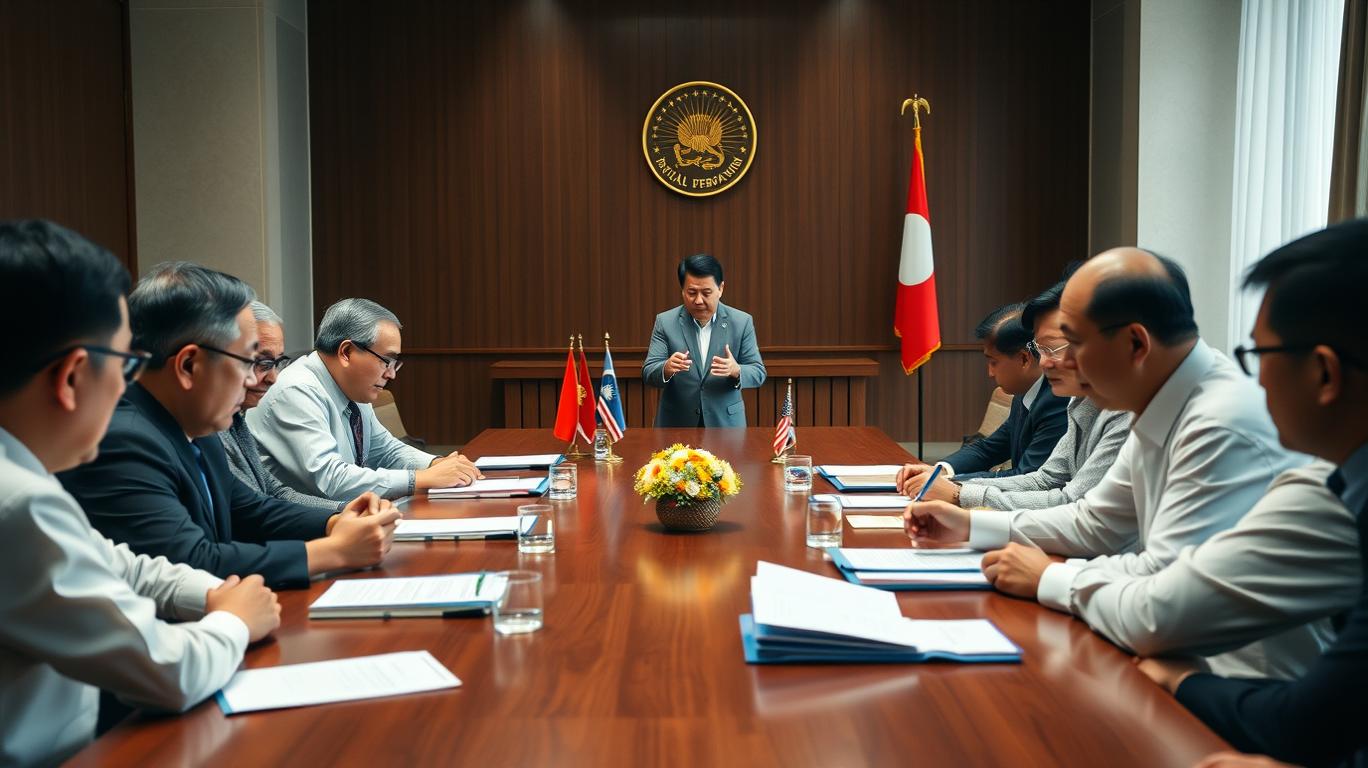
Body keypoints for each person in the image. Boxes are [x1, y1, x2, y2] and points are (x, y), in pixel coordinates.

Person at [0, 220, 280, 767]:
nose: (128, 386)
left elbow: (116, 564)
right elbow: (167, 672)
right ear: (73, 377)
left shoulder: (25, 475)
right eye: (124, 363)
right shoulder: (18, 503)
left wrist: (214, 594)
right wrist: (235, 620)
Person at [904, 249, 1302, 618]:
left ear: (1135, 343)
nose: (1060, 363)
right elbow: (1095, 522)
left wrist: (1048, 579)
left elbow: (1166, 599)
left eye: (1073, 344)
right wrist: (969, 526)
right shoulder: (1157, 396)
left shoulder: (1219, 424)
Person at [1136, 219, 1368, 767]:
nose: (1256, 380)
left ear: (1324, 373)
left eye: (1261, 355)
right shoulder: (1349, 482)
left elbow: (1309, 723)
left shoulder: (1221, 416)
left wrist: (1183, 680)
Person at [59, 263, 400, 590]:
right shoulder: (124, 441)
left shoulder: (196, 425)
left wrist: (336, 520)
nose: (256, 379)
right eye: (247, 362)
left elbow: (250, 509)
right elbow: (191, 562)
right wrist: (333, 551)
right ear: (189, 365)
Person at [897, 281, 1131, 509]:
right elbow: (1044, 479)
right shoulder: (1079, 399)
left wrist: (959, 493)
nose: (1044, 362)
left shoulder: (1122, 413)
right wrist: (946, 481)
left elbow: (1072, 502)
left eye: (1053, 348)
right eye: (1041, 349)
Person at [247, 298, 482, 500]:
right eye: (386, 361)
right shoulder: (295, 390)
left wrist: (435, 464)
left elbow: (384, 450)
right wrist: (420, 479)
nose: (391, 374)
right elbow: (331, 480)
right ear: (347, 352)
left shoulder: (352, 388)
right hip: (300, 529)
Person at [221, 301, 342, 511]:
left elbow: (276, 492)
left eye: (277, 363)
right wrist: (338, 518)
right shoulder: (207, 429)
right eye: (263, 363)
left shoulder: (236, 418)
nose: (273, 378)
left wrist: (344, 510)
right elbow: (254, 512)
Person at [927, 302, 1069, 480]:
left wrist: (947, 483)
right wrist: (940, 471)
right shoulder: (1025, 391)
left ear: (1024, 359)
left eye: (993, 362)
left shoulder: (1058, 400)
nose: (990, 373)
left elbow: (1027, 477)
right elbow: (989, 449)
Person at [643, 253, 766, 427]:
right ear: (682, 290)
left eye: (706, 293)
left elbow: (758, 372)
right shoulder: (665, 322)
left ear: (720, 288)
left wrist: (736, 370)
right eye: (692, 293)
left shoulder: (741, 322)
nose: (698, 300)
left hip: (725, 424)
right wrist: (666, 368)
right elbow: (648, 371)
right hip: (677, 424)